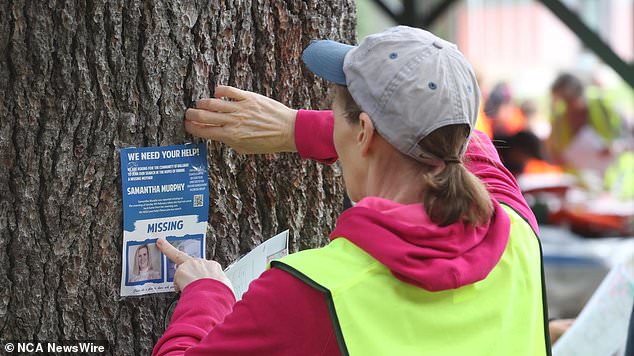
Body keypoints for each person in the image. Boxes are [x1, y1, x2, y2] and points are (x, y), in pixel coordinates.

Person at [153, 26, 550, 355]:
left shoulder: (314, 289)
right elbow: (468, 146)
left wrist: (207, 295)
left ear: (364, 132)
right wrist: (297, 128)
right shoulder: (518, 233)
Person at [547, 73, 622, 172]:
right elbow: (553, 151)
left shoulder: (603, 106)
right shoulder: (558, 117)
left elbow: (625, 138)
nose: (568, 107)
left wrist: (614, 147)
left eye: (569, 101)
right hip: (578, 180)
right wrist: (557, 157)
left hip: (611, 173)